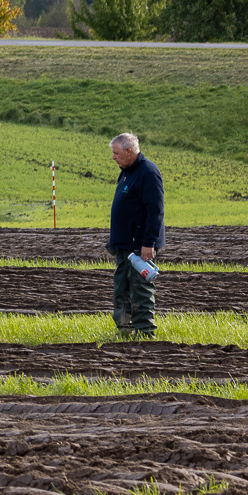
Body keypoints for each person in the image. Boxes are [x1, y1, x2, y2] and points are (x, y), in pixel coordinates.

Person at [108, 131, 164, 340]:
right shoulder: (126, 172)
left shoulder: (148, 172)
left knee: (141, 291)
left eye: (116, 153)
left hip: (140, 246)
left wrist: (148, 243)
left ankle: (145, 334)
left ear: (129, 151)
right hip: (124, 245)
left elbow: (155, 210)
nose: (113, 157)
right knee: (121, 289)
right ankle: (125, 332)